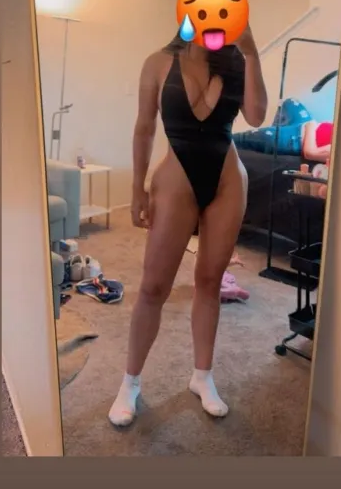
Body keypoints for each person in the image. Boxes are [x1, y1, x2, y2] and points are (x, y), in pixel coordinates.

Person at [108, 25, 267, 426]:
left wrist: (251, 52)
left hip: (228, 181)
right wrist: (137, 188)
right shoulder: (158, 62)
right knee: (153, 286)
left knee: (210, 281)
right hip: (175, 179)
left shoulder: (237, 62)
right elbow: (145, 126)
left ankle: (202, 376)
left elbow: (256, 115)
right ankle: (130, 383)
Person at [232, 97, 333, 162]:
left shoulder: (340, 152)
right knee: (290, 102)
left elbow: (310, 153)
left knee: (242, 139)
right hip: (305, 123)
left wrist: (311, 125)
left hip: (295, 139)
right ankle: (276, 131)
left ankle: (274, 136)